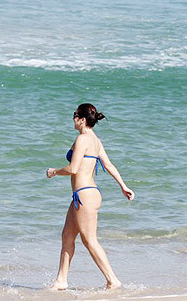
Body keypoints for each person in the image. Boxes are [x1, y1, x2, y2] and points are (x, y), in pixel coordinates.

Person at [46, 103, 134, 290]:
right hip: (85, 195)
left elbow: (73, 169)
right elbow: (109, 165)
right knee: (67, 236)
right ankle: (61, 280)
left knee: (90, 241)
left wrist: (54, 171)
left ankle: (112, 280)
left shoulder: (83, 139)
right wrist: (123, 186)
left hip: (84, 195)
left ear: (82, 119)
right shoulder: (95, 140)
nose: (73, 119)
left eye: (75, 115)